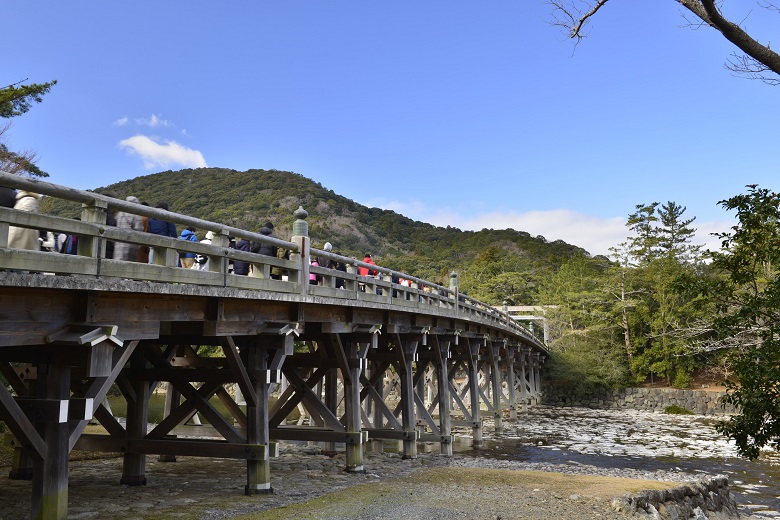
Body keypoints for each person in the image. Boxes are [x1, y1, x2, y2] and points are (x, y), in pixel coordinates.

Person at [113, 196, 145, 262]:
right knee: (128, 267)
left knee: (117, 265)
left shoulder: (119, 214)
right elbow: (139, 232)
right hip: (130, 247)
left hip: (118, 244)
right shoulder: (136, 216)